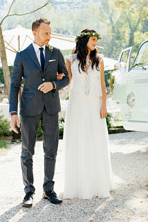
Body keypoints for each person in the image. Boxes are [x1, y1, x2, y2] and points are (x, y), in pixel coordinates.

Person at [9, 19, 69, 208]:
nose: (48, 37)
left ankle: (48, 190)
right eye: (45, 33)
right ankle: (29, 192)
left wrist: (54, 84)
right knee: (27, 151)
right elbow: (15, 85)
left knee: (51, 150)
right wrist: (13, 112)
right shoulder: (22, 55)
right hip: (28, 109)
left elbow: (66, 77)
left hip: (51, 108)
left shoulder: (56, 53)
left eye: (50, 33)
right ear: (35, 32)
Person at [62, 29, 113, 199]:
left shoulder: (99, 60)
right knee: (79, 141)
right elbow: (68, 82)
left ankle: (98, 183)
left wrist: (104, 105)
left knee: (95, 140)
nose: (95, 42)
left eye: (96, 39)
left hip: (94, 105)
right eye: (93, 39)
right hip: (77, 105)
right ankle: (78, 185)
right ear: (84, 41)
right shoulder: (71, 60)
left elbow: (102, 85)